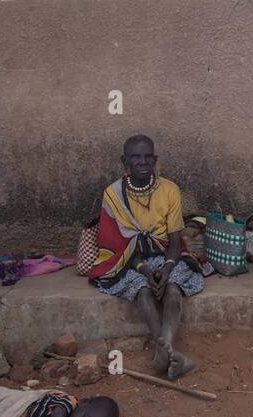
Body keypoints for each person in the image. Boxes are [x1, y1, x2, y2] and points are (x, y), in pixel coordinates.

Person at [87, 135, 204, 381]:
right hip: (130, 259)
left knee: (172, 289)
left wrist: (169, 267)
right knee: (142, 291)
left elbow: (174, 241)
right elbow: (115, 245)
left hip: (165, 255)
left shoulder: (169, 189)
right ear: (124, 161)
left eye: (147, 156)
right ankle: (168, 352)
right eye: (136, 157)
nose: (142, 162)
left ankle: (165, 349)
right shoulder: (113, 195)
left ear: (155, 159)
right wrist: (142, 268)